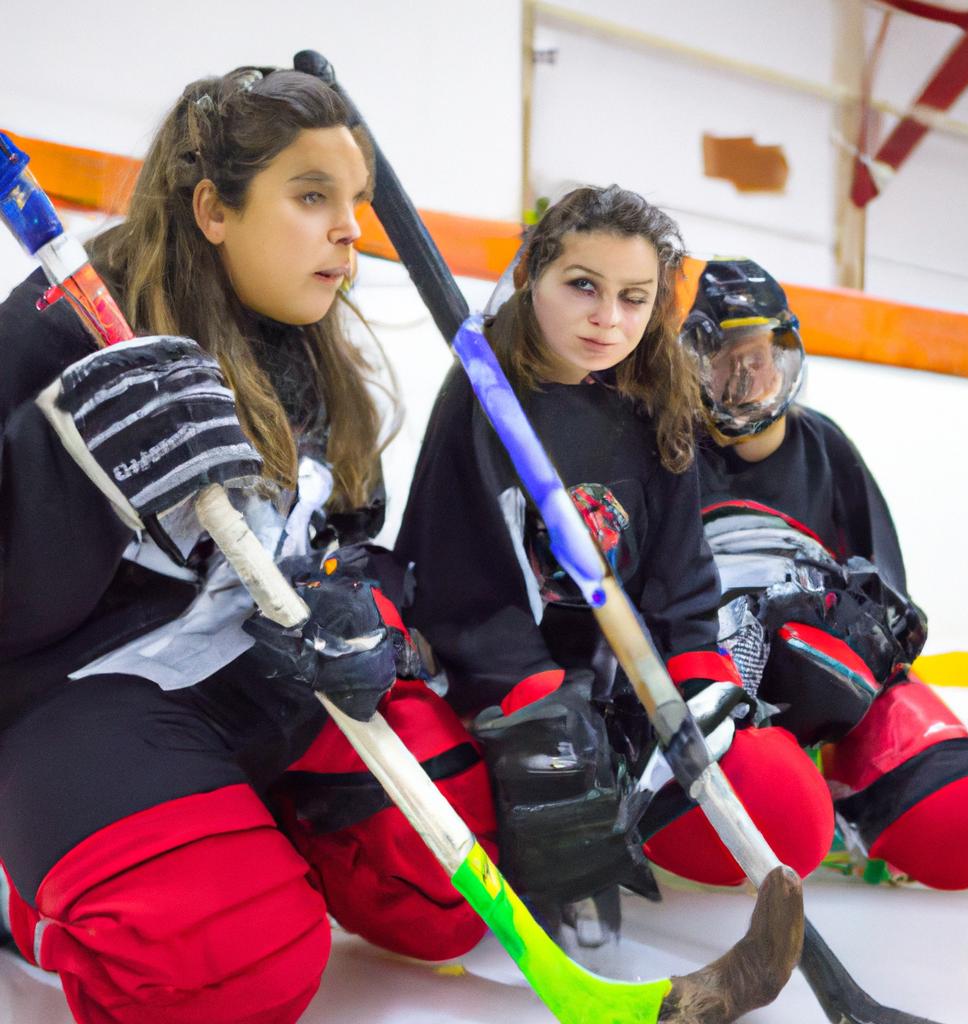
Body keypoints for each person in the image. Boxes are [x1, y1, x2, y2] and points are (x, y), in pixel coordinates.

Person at [0, 61, 496, 1024]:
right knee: (223, 971)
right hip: (81, 695)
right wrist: (66, 458)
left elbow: (346, 541)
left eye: (353, 199)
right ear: (213, 210)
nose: (351, 227)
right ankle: (31, 882)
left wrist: (359, 612)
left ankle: (234, 828)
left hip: (253, 681)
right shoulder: (69, 322)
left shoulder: (314, 345)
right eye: (313, 196)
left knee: (443, 887)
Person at [394, 186, 836, 940]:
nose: (609, 319)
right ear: (533, 274)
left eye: (634, 298)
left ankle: (623, 814)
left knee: (788, 808)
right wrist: (536, 707)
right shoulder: (486, 391)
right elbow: (457, 586)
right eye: (583, 287)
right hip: (501, 698)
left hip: (614, 697)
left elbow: (679, 573)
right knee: (440, 897)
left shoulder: (654, 400)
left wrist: (700, 678)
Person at [672, 256, 968, 890]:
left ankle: (840, 772)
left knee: (967, 819)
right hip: (718, 691)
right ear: (697, 362)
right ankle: (795, 787)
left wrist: (857, 647)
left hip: (829, 681)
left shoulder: (825, 446)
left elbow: (888, 595)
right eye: (725, 358)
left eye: (759, 355)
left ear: (786, 357)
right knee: (785, 822)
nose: (745, 376)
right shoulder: (670, 447)